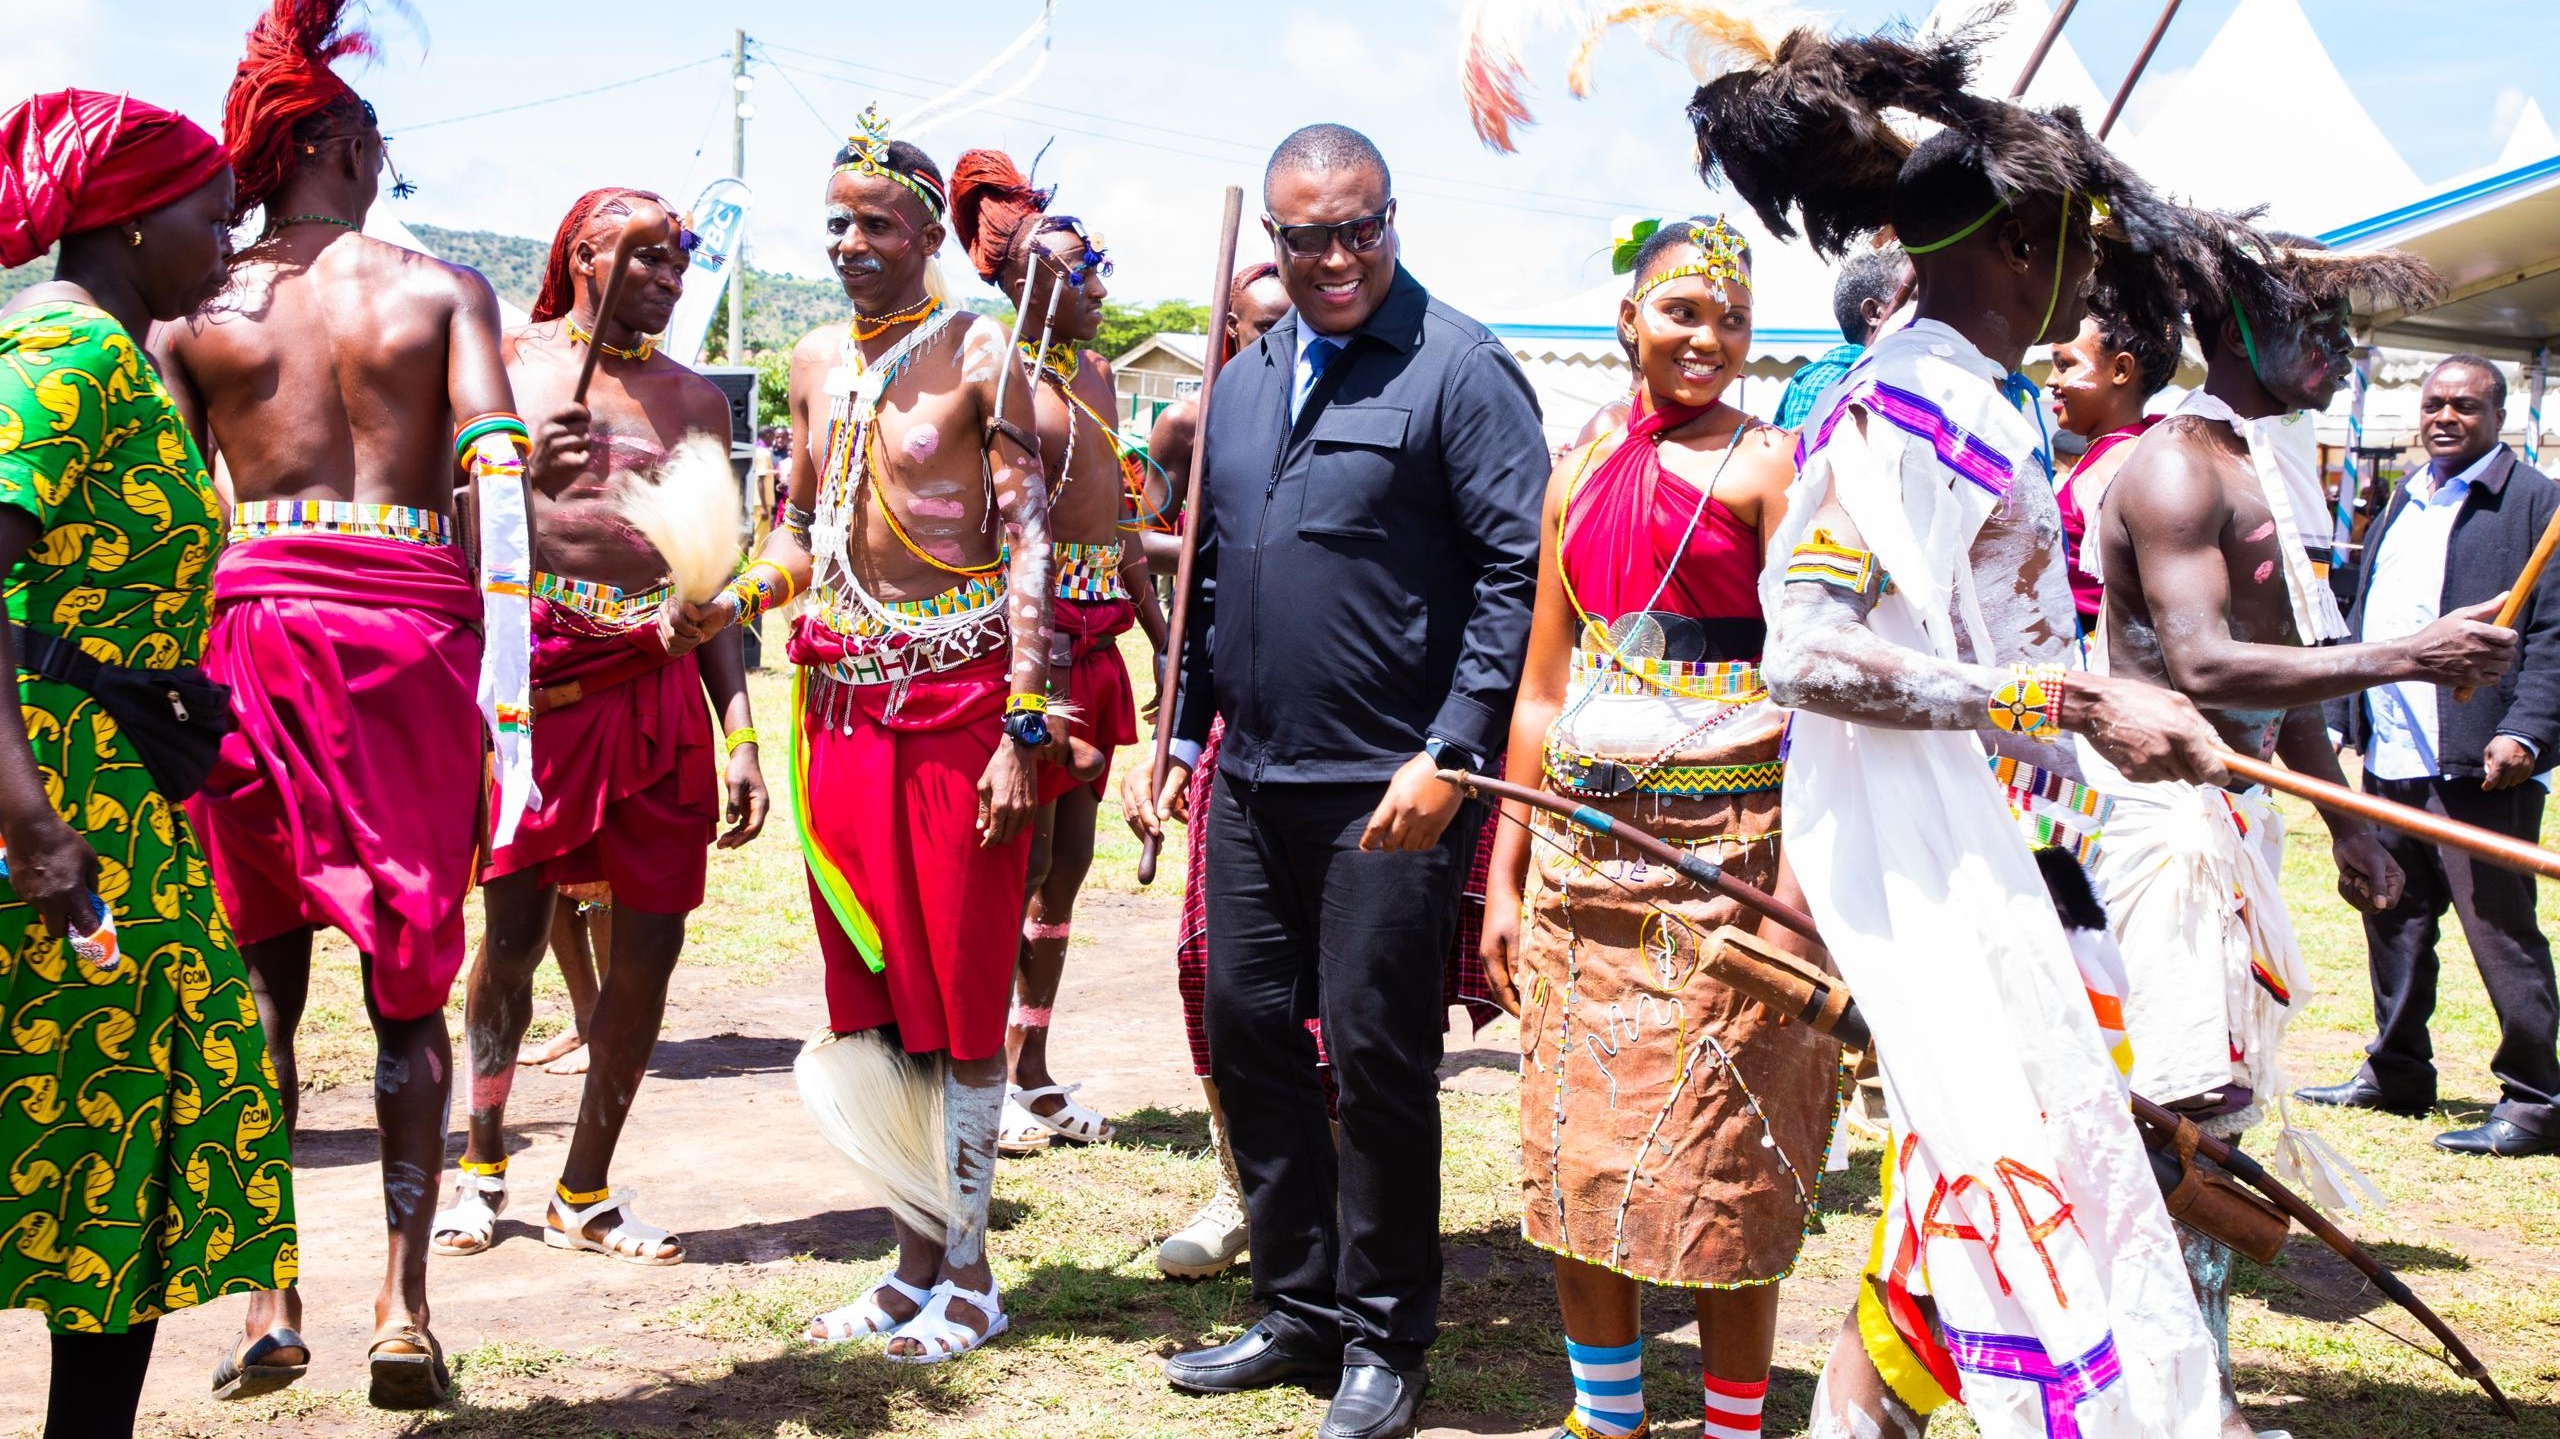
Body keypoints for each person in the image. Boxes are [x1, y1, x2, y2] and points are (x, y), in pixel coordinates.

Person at [1660, 15, 2235, 1437]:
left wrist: (2075, 722)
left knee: (1984, 1179)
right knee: (2033, 1185)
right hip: (1964, 871)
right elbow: (1803, 643)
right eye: (2079, 241)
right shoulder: (1911, 405)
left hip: (2030, 852)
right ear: (2017, 248)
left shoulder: (1983, 399)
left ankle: (1862, 1420)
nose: (2094, 271)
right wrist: (2062, 700)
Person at [1124, 122, 1548, 1439]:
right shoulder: (1244, 381)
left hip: (1390, 782)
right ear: (1276, 241)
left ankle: (1384, 1330)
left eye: (1359, 225)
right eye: (1308, 235)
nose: (1337, 255)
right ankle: (1299, 1301)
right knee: (1249, 1029)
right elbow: (1214, 576)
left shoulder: (1461, 369)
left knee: (1373, 1057)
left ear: (1393, 216)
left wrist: (1458, 749)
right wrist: (1182, 731)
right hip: (1251, 774)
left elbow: (1515, 578)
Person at [156, 0, 533, 1407]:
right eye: (372, 136)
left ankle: (272, 1296)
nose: (383, 159)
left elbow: (160, 510)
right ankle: (405, 1303)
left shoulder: (203, 308)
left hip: (247, 639)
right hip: (411, 650)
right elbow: (499, 484)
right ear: (335, 134)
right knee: (405, 985)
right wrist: (512, 693)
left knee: (264, 981)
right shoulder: (437, 292)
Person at [2091, 222, 2507, 1432]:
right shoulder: (2175, 466)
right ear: (2230, 328)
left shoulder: (2263, 459)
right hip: (2165, 825)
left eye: (2345, 325)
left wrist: (2337, 819)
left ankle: (2190, 1387)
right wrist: (2414, 654)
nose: (2338, 346)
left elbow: (2294, 659)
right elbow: (2206, 659)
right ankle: (2178, 1397)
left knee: (2211, 1109)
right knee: (2183, 1110)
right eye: (2312, 322)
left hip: (2236, 811)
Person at [674, 106, 1049, 1363]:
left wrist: (1025, 726)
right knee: (874, 993)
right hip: (833, 709)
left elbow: (1033, 542)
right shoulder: (809, 364)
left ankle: (977, 1273)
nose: (847, 242)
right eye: (833, 221)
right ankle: (912, 1261)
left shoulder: (982, 352)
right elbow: (799, 531)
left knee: (960, 989)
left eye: (875, 222)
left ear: (928, 229)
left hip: (958, 711)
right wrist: (732, 598)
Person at [1478, 215, 1839, 1439]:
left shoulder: (1772, 470)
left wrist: (1788, 897)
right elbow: (1539, 685)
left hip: (1731, 863)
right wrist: (1504, 873)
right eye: (1682, 312)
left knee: (1727, 1156)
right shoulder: (1575, 469)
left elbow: (1818, 697)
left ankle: (1736, 1424)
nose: (1708, 338)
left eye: (1731, 319)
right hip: (1580, 868)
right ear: (1626, 321)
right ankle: (1607, 1416)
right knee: (1582, 1152)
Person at [0, 87, 298, 1439]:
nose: (230, 228)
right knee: (65, 1123)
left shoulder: (124, 357)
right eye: (208, 203)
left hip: (114, 783)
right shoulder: (59, 353)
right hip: (54, 800)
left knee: (112, 1126)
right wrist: (36, 830)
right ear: (127, 217)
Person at [431, 188, 769, 1266]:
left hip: (658, 690)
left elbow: (708, 579)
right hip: (534, 690)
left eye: (680, 260)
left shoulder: (696, 402)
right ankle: (481, 1166)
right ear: (582, 254)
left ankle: (585, 1187)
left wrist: (742, 727)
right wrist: (518, 476)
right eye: (647, 257)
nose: (670, 277)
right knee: (515, 934)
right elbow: (445, 527)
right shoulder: (508, 369)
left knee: (651, 945)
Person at [2309, 353, 2560, 1158]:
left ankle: (2535, 1099)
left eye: (2465, 406)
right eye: (2433, 404)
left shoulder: (2535, 504)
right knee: (2393, 914)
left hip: (2482, 757)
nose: (2445, 417)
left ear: (2500, 416)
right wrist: (2349, 713)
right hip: (2396, 747)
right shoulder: (2406, 495)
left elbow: (2555, 637)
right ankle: (2398, 1069)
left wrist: (2525, 731)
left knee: (2500, 928)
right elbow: (2369, 617)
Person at [946, 150, 1142, 1155]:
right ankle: (983, 1069)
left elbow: (1122, 538)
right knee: (1016, 867)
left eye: (1100, 264)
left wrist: (1159, 640)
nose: (1101, 285)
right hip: (1035, 657)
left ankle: (1032, 1065)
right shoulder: (998, 377)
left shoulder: (1101, 377)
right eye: (1080, 269)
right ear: (1023, 282)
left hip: (1102, 651)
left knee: (1067, 865)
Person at [1139, 261, 1292, 1278]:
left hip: (1346, 731)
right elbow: (1153, 548)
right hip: (1229, 720)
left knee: (1332, 992)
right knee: (1213, 967)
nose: (1279, 343)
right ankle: (1243, 1185)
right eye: (1261, 326)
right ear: (1227, 330)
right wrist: (1176, 724)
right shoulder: (1194, 424)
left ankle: (1329, 1199)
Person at [2046, 304, 2174, 636]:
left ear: (2120, 370)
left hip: (2102, 664)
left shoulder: (2122, 462)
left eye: (2064, 365)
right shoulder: (2112, 452)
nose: (2051, 380)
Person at [1772, 243, 1907, 430]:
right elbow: (1799, 458)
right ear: (1874, 313)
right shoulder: (1826, 384)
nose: (1928, 307)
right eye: (1915, 297)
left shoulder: (1906, 375)